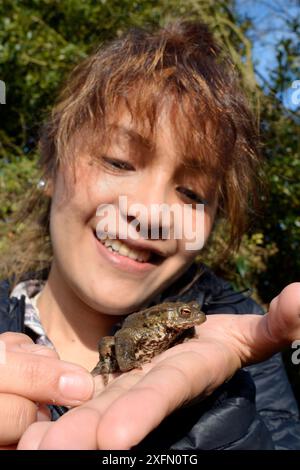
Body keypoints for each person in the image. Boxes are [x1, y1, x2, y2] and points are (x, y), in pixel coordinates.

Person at [0, 20, 299, 450]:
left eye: (192, 192)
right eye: (119, 161)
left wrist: (219, 430)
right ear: (50, 164)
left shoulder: (243, 344)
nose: (150, 214)